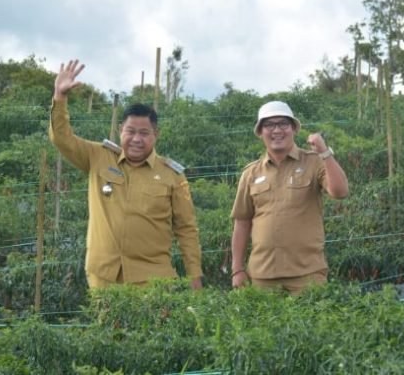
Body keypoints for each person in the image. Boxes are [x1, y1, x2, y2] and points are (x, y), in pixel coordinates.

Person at [48, 59, 203, 290]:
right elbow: (62, 138)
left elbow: (186, 229)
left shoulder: (172, 175)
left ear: (156, 134)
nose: (137, 139)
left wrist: (195, 275)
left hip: (152, 280)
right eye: (130, 131)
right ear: (121, 130)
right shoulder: (98, 156)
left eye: (144, 133)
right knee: (107, 327)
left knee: (150, 327)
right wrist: (60, 98)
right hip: (103, 275)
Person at [230, 101, 349, 295]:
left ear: (294, 128)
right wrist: (237, 269)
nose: (277, 130)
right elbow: (242, 223)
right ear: (260, 132)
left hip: (308, 274)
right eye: (269, 125)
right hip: (262, 276)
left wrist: (325, 152)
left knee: (313, 325)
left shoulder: (315, 162)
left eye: (283, 124)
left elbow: (340, 192)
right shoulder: (251, 173)